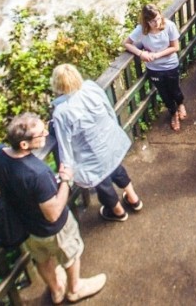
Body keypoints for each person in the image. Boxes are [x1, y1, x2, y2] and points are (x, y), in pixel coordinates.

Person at [0, 113, 106, 304]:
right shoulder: (37, 173)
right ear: (24, 145)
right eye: (40, 133)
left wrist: (6, 184)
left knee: (42, 260)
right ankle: (74, 289)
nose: (46, 133)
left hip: (28, 230)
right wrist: (66, 182)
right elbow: (53, 214)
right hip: (55, 231)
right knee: (70, 255)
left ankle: (55, 291)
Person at [47, 64, 143, 223]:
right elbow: (109, 110)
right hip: (107, 140)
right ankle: (134, 199)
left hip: (89, 154)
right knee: (116, 168)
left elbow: (65, 144)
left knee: (101, 181)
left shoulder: (61, 111)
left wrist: (67, 169)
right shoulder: (91, 87)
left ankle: (118, 212)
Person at [123, 3, 185, 131]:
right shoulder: (142, 29)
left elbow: (175, 47)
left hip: (170, 65)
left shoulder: (169, 26)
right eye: (152, 21)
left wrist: (157, 55)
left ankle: (180, 104)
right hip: (154, 69)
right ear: (146, 21)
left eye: (157, 18)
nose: (156, 23)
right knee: (164, 93)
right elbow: (126, 43)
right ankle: (173, 113)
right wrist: (141, 53)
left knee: (175, 89)